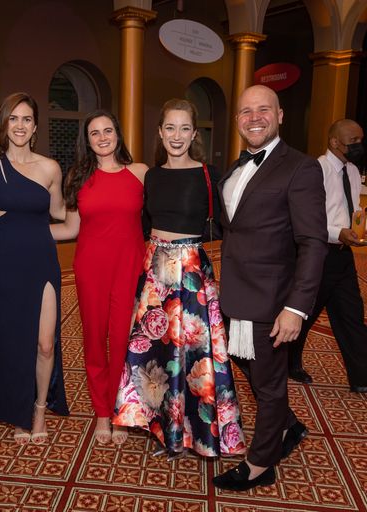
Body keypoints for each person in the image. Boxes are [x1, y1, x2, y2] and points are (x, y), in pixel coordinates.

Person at [112, 98, 246, 461]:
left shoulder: (209, 174)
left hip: (190, 272)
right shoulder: (152, 176)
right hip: (156, 270)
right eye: (170, 127)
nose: (177, 135)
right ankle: (164, 428)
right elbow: (142, 225)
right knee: (157, 351)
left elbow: (231, 224)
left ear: (194, 133)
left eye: (184, 128)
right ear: (159, 132)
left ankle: (197, 433)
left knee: (194, 353)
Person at [213, 85, 328, 491]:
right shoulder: (234, 167)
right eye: (246, 111)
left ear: (280, 116)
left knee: (268, 383)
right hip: (236, 294)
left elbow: (312, 242)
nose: (254, 117)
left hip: (272, 300)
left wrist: (295, 308)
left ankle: (261, 463)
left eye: (264, 109)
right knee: (246, 364)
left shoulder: (300, 167)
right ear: (238, 120)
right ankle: (289, 425)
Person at [0, 92, 69, 445]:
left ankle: (40, 407)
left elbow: (60, 212)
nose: (19, 125)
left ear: (35, 126)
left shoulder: (50, 168)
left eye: (26, 119)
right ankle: (17, 411)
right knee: (12, 343)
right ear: (4, 123)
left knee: (45, 344)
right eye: (13, 118)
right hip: (5, 264)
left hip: (43, 261)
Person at [50, 110, 147, 445]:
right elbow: (71, 228)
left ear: (118, 134)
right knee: (94, 341)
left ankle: (122, 410)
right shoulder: (78, 177)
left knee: (123, 341)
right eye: (95, 133)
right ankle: (102, 412)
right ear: (87, 140)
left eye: (108, 130)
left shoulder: (140, 173)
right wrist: (24, 232)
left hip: (129, 268)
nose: (102, 137)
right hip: (91, 269)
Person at [288, 119, 367, 392]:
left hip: (343, 255)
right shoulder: (315, 169)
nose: (358, 146)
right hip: (317, 253)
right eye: (353, 141)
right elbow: (308, 219)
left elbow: (352, 209)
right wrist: (337, 233)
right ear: (334, 142)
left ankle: (362, 377)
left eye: (360, 141)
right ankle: (289, 363)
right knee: (304, 313)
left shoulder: (353, 171)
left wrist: (358, 227)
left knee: (352, 314)